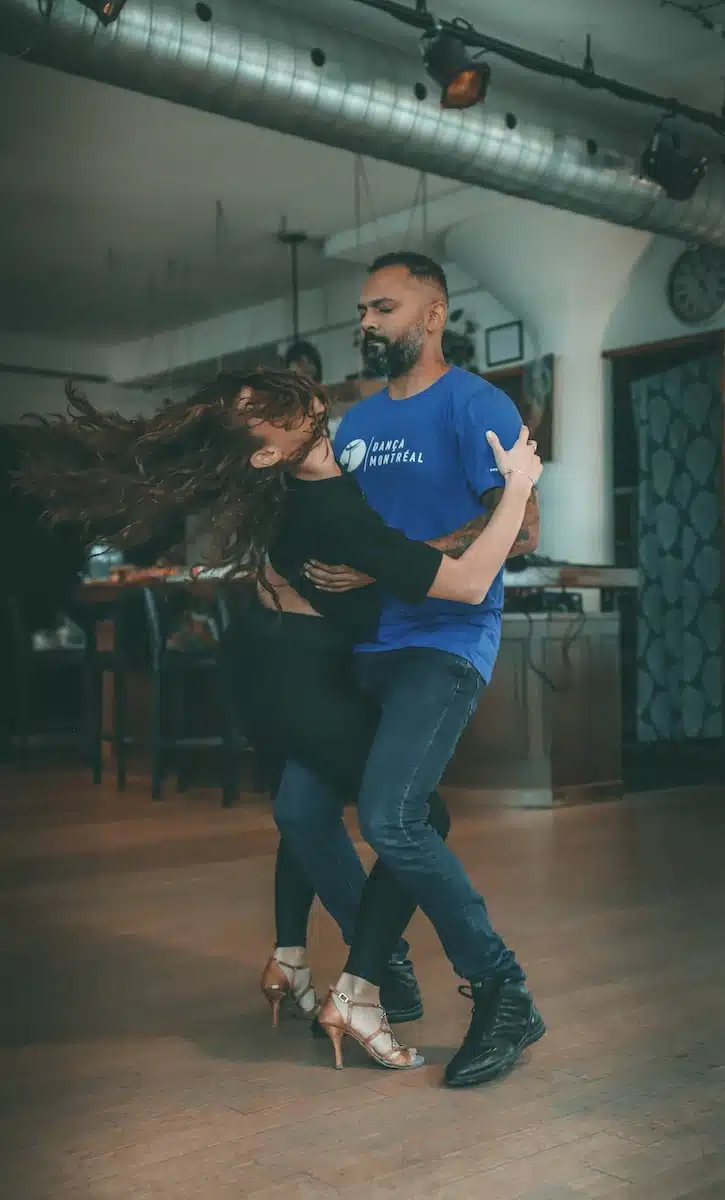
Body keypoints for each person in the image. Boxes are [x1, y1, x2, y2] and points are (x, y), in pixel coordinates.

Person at [18, 366, 540, 1075]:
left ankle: (356, 972)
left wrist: (385, 562)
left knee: (305, 808)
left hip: (298, 666)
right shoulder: (327, 505)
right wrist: (515, 486)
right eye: (266, 413)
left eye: (283, 396)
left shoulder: (318, 480)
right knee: (403, 819)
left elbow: (385, 549)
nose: (293, 405)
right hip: (294, 673)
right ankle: (431, 977)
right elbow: (469, 581)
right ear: (265, 453)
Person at [270, 250, 545, 1088]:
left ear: (432, 314)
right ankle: (376, 962)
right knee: (300, 809)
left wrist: (395, 562)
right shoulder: (351, 428)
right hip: (360, 646)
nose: (366, 323)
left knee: (390, 819)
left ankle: (503, 990)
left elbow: (520, 529)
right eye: (362, 311)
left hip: (442, 641)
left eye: (382, 308)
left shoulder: (476, 404)